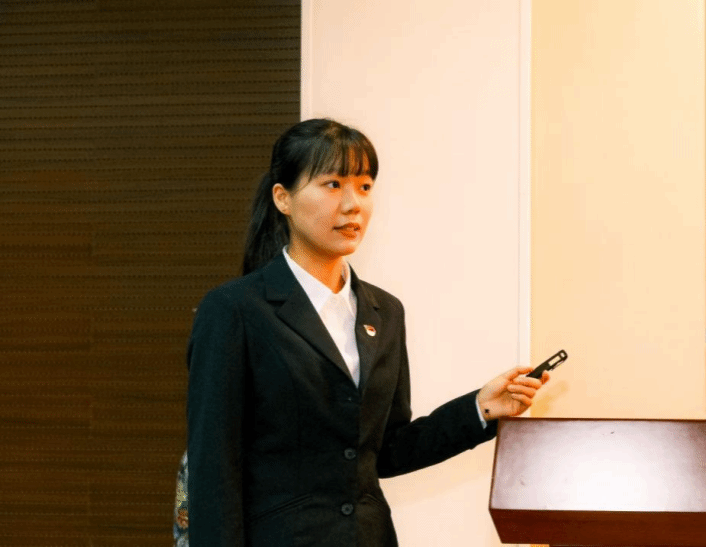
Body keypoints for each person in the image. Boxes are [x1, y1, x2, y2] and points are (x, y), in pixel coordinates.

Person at [186, 118, 548, 547]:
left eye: (364, 186)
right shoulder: (235, 309)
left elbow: (386, 450)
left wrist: (479, 409)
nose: (352, 204)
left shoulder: (385, 311)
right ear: (283, 198)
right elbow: (213, 469)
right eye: (332, 184)